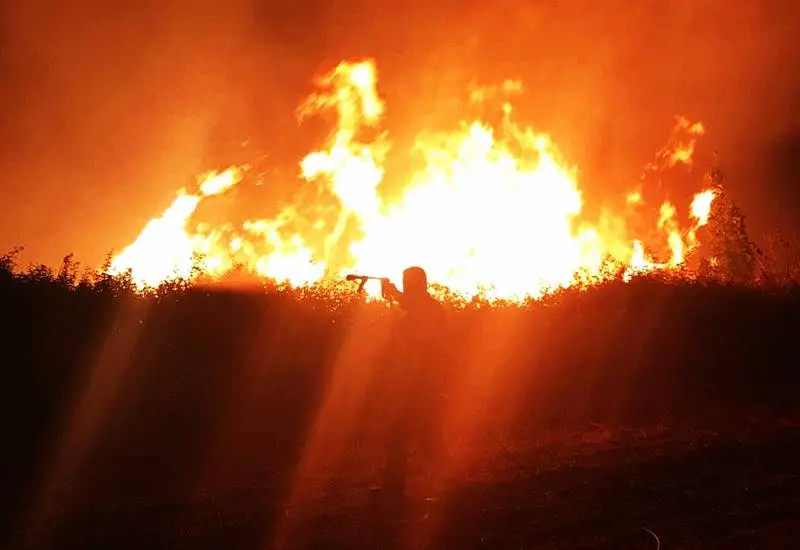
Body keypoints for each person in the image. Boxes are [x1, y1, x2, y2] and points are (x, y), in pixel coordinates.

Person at [378, 266, 448, 502]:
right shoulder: (425, 306)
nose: (406, 287)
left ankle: (449, 485)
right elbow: (409, 305)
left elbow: (414, 316)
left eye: (408, 283)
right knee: (403, 434)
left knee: (426, 438)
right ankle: (394, 489)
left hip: (423, 383)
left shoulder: (428, 309)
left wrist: (393, 293)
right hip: (415, 381)